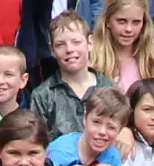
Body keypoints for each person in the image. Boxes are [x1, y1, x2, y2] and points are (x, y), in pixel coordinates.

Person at [26, 11, 107, 140]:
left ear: (90, 43)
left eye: (76, 42)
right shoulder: (43, 95)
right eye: (60, 45)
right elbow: (38, 143)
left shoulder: (109, 88)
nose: (69, 49)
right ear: (52, 50)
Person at [96, 0, 154, 91]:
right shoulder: (94, 60)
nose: (129, 29)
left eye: (136, 22)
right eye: (121, 21)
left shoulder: (151, 61)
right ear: (107, 21)